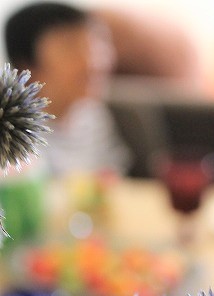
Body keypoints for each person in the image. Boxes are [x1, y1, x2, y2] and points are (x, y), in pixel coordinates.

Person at [4, 2, 131, 177]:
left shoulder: (93, 115)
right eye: (71, 47)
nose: (93, 62)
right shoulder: (11, 128)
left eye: (96, 44)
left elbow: (114, 174)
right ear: (27, 65)